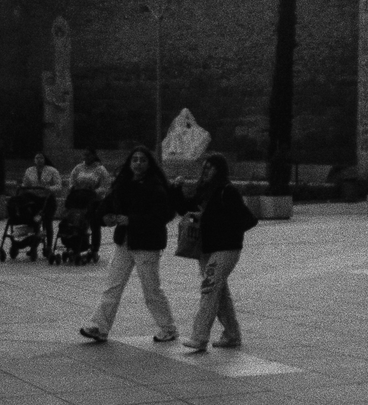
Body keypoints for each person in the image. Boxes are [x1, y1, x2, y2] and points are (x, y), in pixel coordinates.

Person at [79, 145, 178, 344]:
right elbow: (107, 204)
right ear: (130, 163)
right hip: (124, 242)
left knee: (151, 290)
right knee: (112, 286)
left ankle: (168, 328)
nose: (138, 163)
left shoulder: (156, 186)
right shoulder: (122, 183)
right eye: (135, 160)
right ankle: (99, 327)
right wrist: (103, 217)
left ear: (149, 164)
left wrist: (131, 220)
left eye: (142, 160)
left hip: (147, 244)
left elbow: (162, 216)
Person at [174, 153, 258, 352]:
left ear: (219, 170)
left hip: (226, 248)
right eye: (204, 167)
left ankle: (199, 336)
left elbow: (248, 219)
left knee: (209, 289)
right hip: (206, 249)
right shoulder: (204, 191)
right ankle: (232, 334)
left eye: (210, 167)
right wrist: (176, 189)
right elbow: (184, 208)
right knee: (219, 294)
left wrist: (215, 223)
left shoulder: (227, 191)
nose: (206, 171)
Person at [67, 148, 111, 259]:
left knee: (94, 225)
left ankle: (94, 249)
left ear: (93, 156)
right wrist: (73, 188)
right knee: (77, 223)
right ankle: (75, 245)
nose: (86, 158)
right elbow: (72, 180)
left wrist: (94, 192)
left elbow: (105, 186)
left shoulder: (100, 169)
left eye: (88, 156)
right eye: (84, 156)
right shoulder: (78, 168)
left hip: (94, 201)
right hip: (79, 199)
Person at [22, 152, 62, 259]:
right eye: (36, 158)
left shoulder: (52, 171)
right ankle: (33, 247)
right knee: (35, 223)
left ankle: (48, 246)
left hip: (48, 199)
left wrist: (49, 188)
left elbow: (58, 186)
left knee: (47, 222)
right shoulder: (29, 171)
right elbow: (25, 185)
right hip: (35, 199)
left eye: (41, 158)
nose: (39, 160)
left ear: (45, 159)